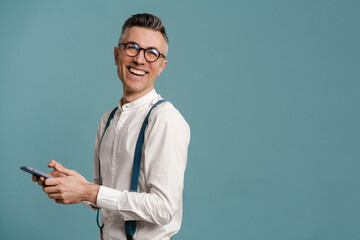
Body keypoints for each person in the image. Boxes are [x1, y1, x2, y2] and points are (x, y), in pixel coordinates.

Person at [33, 13, 190, 240]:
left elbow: (164, 209)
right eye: (132, 48)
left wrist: (90, 191)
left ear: (162, 66)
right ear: (117, 55)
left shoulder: (165, 119)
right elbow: (105, 194)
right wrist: (75, 186)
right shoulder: (107, 120)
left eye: (151, 53)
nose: (140, 59)